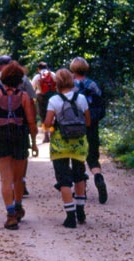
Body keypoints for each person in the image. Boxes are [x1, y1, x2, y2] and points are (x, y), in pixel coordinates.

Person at [0, 61, 38, 230]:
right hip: (19, 136)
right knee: (18, 178)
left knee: (5, 178)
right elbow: (31, 122)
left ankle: (10, 214)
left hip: (0, 136)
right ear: (19, 79)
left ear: (3, 78)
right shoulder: (24, 96)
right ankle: (17, 207)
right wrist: (34, 143)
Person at [0, 55, 37, 196]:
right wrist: (33, 129)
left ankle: (10, 191)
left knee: (5, 160)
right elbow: (32, 99)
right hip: (21, 124)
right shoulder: (22, 78)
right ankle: (20, 180)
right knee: (21, 156)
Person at [44, 68, 90, 228]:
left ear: (57, 82)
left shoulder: (54, 100)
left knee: (64, 180)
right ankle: (80, 210)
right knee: (79, 176)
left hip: (60, 144)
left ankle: (70, 216)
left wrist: (50, 128)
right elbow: (88, 122)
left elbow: (48, 123)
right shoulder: (82, 98)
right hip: (79, 144)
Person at [70, 57, 108, 204]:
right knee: (92, 156)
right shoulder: (93, 85)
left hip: (74, 126)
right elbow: (101, 105)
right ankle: (98, 176)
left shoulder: (70, 85)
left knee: (77, 158)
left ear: (72, 69)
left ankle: (81, 190)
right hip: (92, 125)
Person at [31, 61, 56, 144]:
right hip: (52, 96)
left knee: (43, 117)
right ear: (47, 67)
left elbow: (32, 89)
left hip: (41, 97)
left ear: (38, 69)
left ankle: (46, 136)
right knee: (52, 116)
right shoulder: (52, 74)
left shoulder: (37, 77)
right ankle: (52, 134)